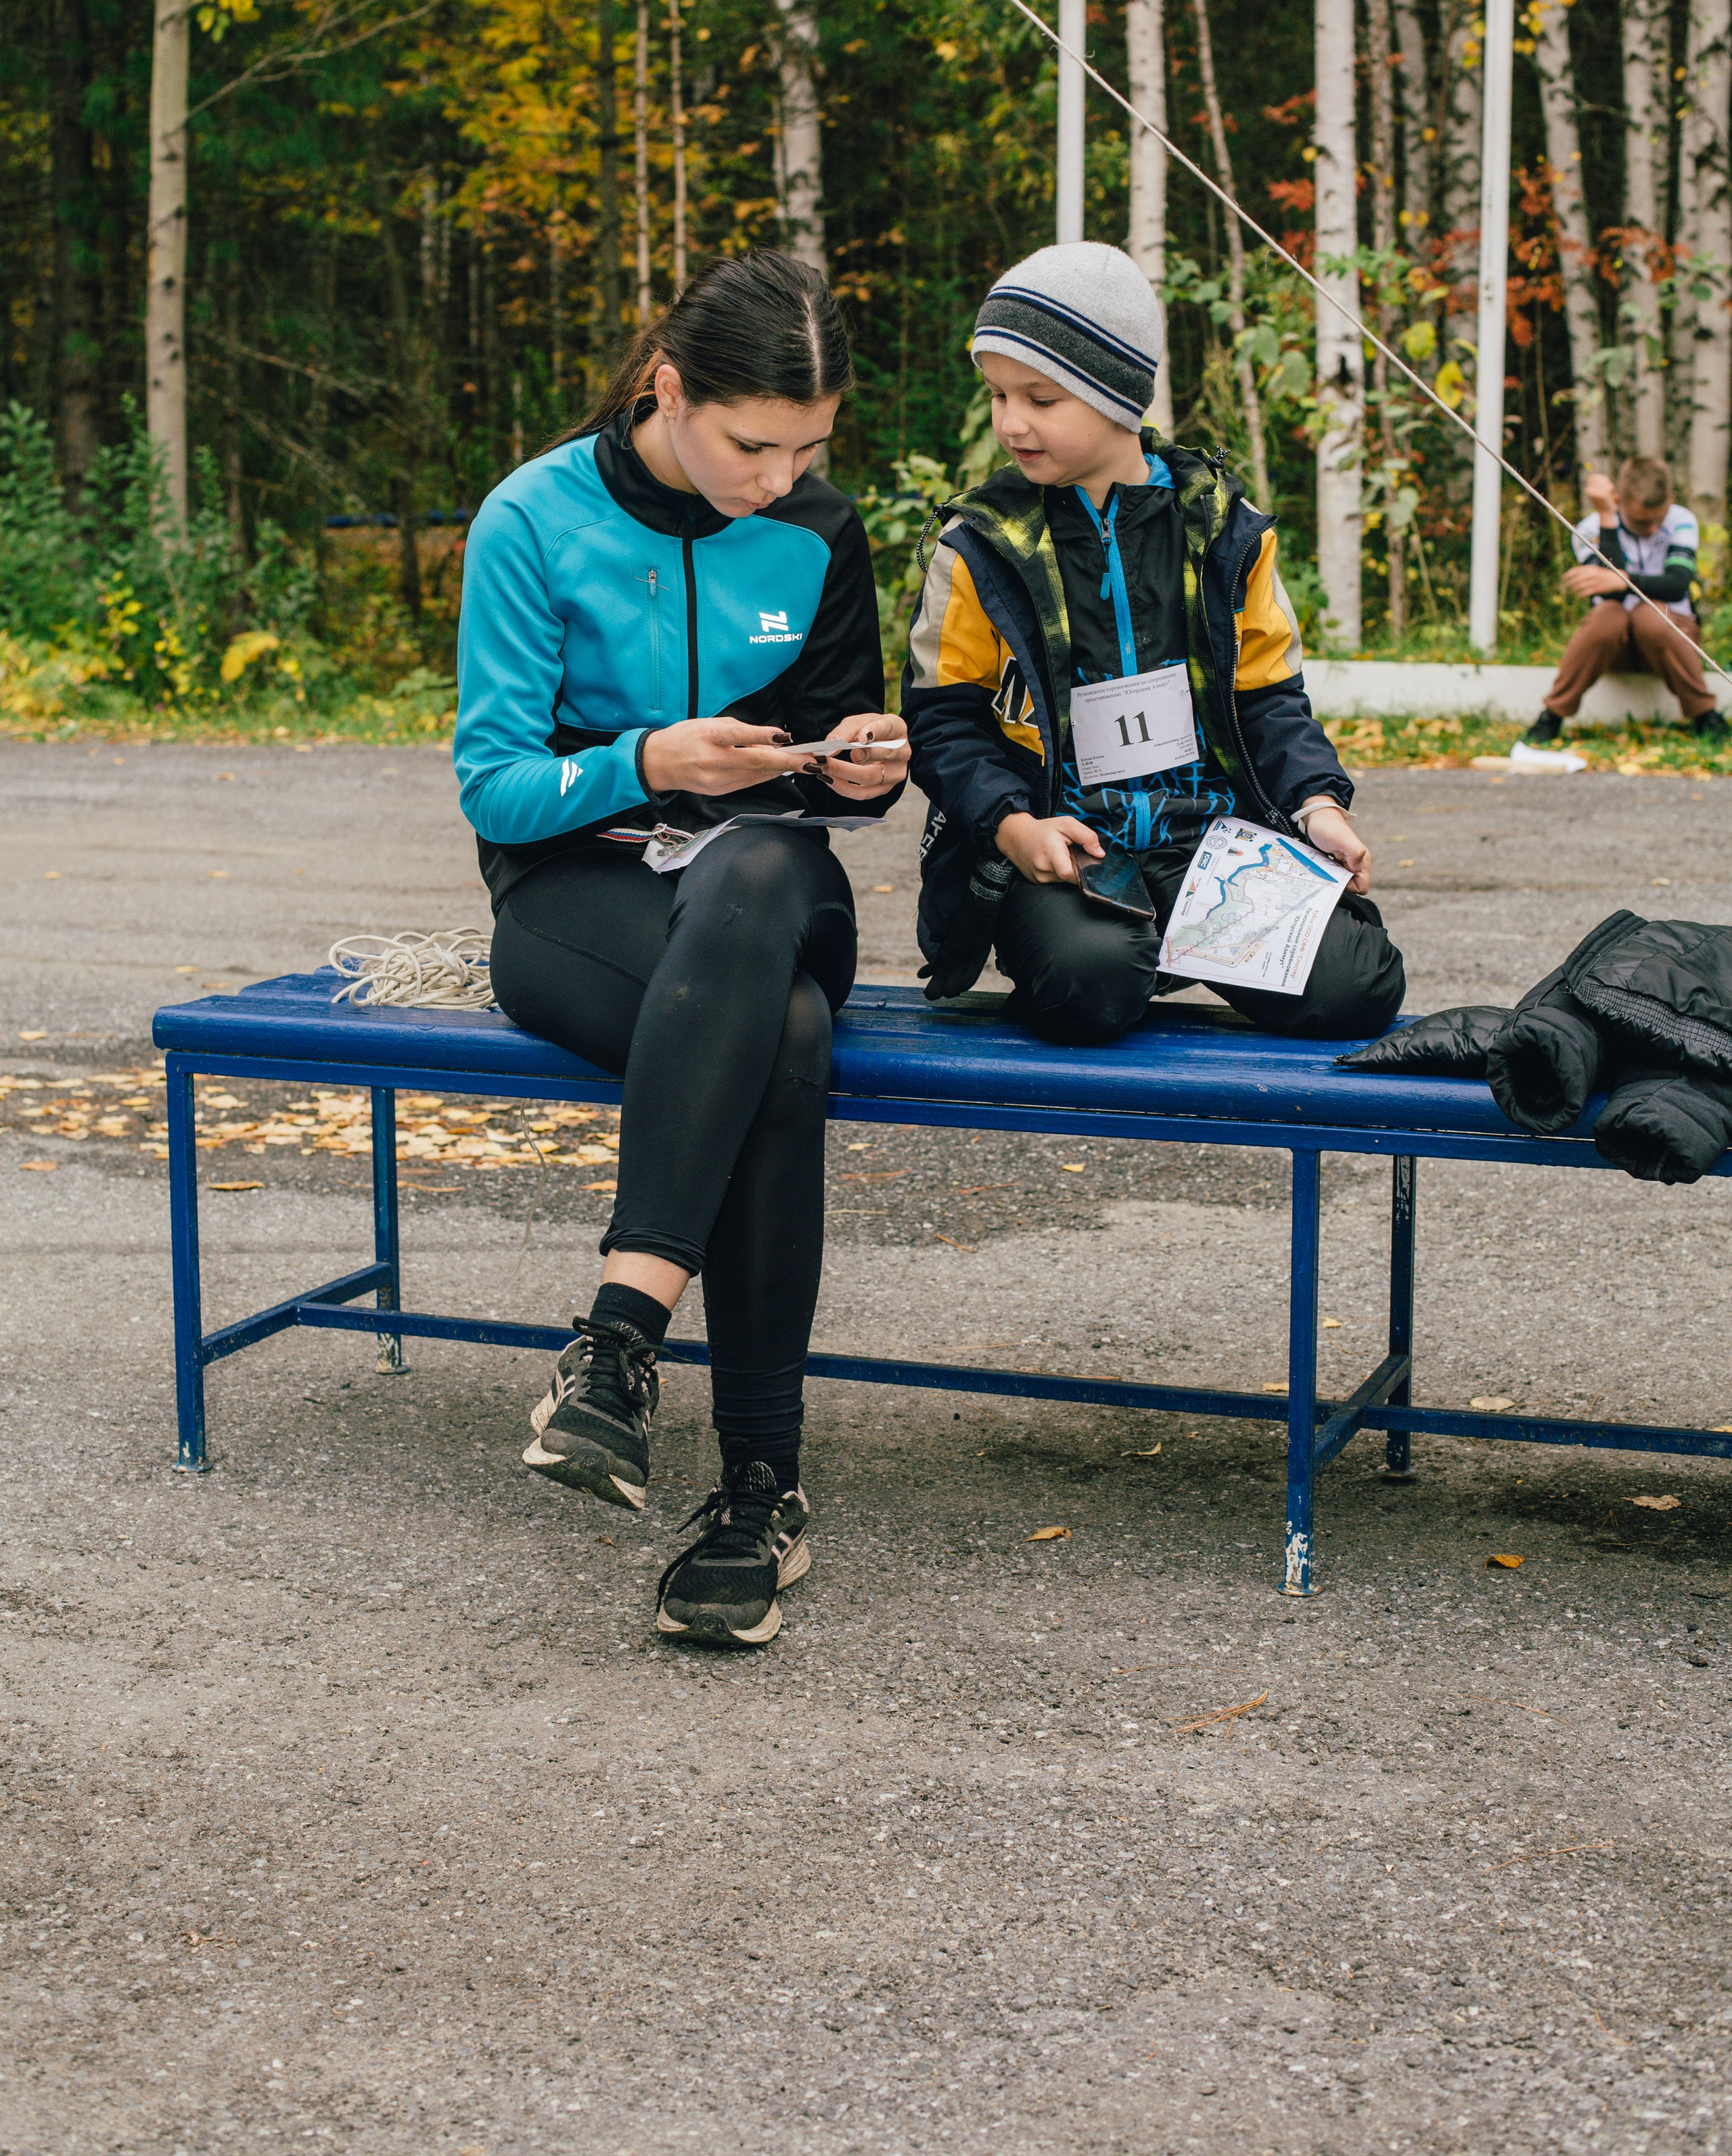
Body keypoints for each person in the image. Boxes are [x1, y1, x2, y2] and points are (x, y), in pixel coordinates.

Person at [453, 250, 907, 1647]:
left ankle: (617, 1343)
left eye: (807, 447)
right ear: (668, 390)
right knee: (781, 1037)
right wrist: (646, 758)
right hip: (575, 899)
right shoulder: (532, 518)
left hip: (768, 887)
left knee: (759, 865)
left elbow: (853, 755)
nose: (777, 478)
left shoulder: (819, 530)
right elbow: (496, 788)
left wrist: (869, 770)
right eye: (748, 442)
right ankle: (760, 1488)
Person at [903, 240, 1403, 1042]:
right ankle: (1121, 943)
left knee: (1360, 988)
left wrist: (1317, 807)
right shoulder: (980, 547)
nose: (1011, 423)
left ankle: (1174, 933)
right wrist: (1010, 827)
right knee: (1089, 987)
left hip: (1210, 844)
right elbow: (941, 723)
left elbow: (1271, 699)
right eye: (997, 395)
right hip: (1067, 853)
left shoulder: (1225, 534)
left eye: (1040, 397)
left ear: (1117, 395)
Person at [1523, 456, 1728, 746]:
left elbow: (1677, 585)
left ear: (1670, 501)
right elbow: (1609, 594)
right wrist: (1608, 518)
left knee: (1650, 614)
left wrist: (1622, 579)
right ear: (1618, 501)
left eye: (1660, 517)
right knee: (1610, 614)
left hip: (1670, 639)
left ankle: (1705, 714)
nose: (1655, 528)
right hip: (1613, 645)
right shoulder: (1591, 527)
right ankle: (1552, 715)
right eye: (1643, 521)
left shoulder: (1682, 520)